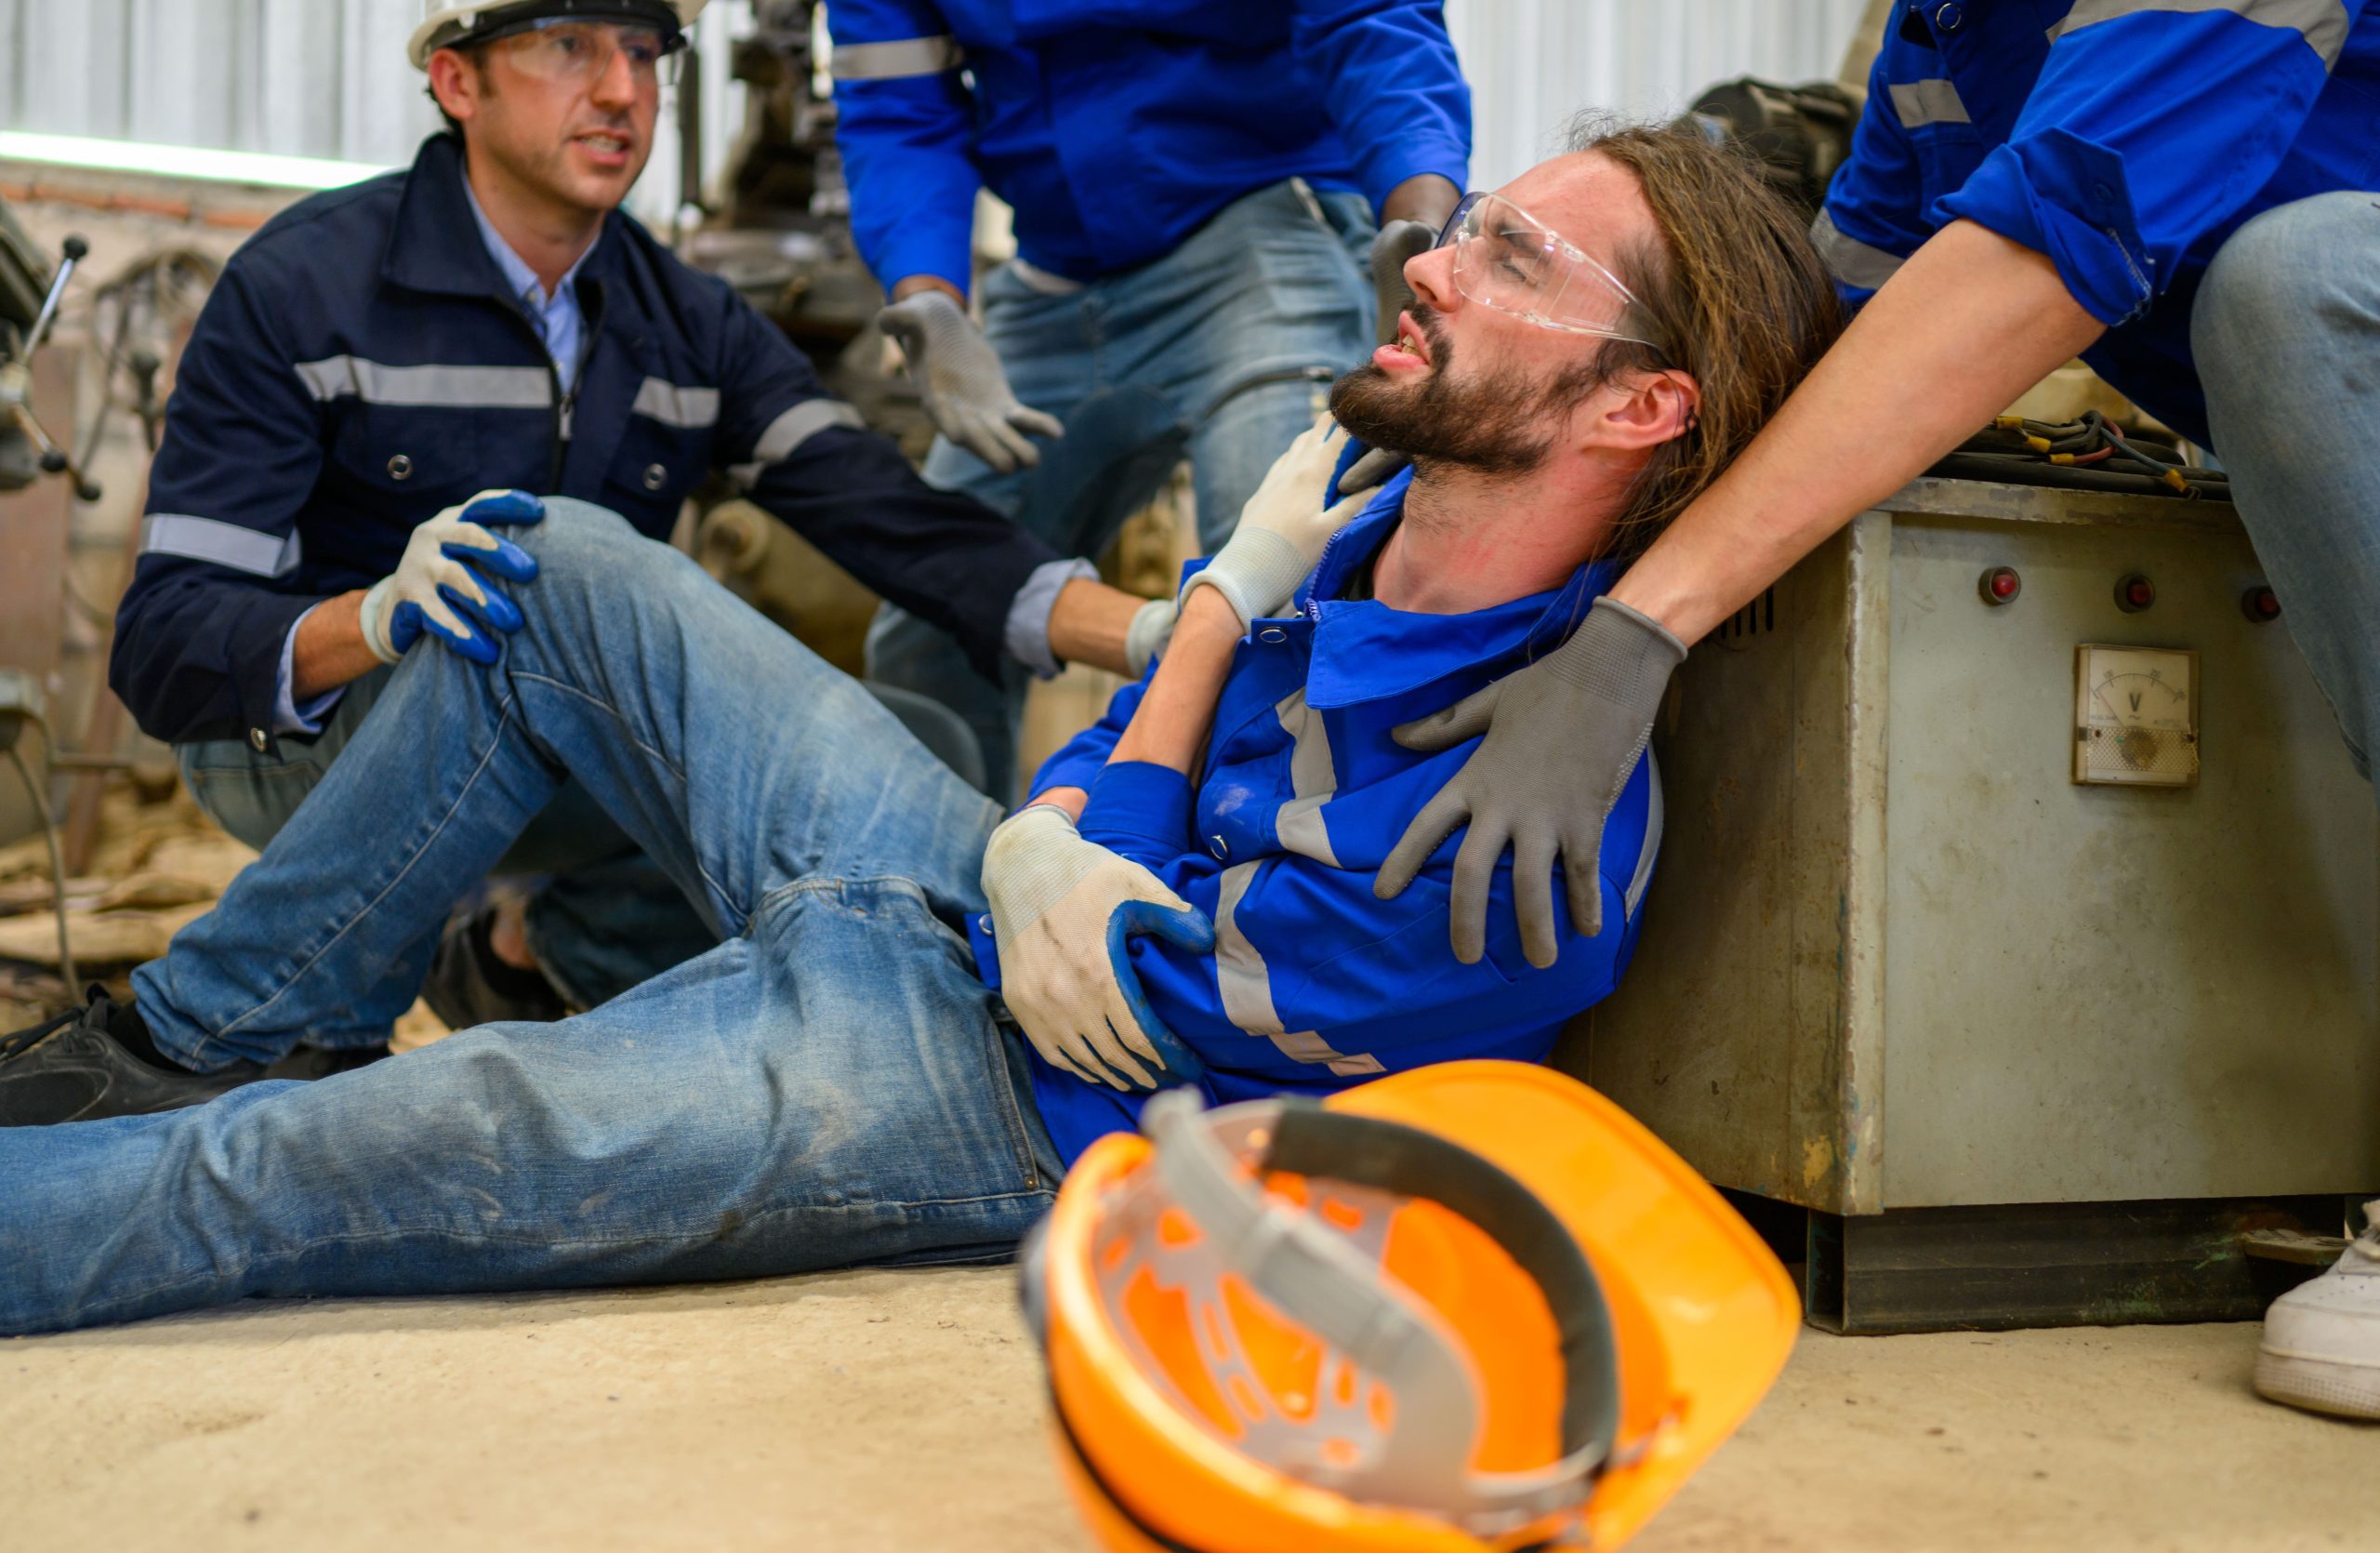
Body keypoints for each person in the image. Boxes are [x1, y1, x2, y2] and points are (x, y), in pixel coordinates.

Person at [0, 123, 1838, 1334]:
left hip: (1010, 1094)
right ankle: (212, 1026)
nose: (1429, 262)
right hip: (964, 897)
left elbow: (1133, 988)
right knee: (550, 559)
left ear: (1638, 407)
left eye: (1514, 256)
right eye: (1475, 222)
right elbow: (1088, 807)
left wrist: (1201, 623)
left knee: (310, 1165)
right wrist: (1038, 828)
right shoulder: (1353, 527)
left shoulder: (1521, 832)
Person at [1372, 5, 2380, 1418]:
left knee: (2297, 283)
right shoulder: (1944, 38)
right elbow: (1810, 343)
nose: (1435, 268)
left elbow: (2058, 231)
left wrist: (1636, 631)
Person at [110, 0, 1157, 1039]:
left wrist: (1168, 632)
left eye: (645, 53)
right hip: (306, 747)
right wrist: (374, 617)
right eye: (570, 47)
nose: (622, 91)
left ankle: (533, 955)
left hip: (551, 742)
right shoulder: (302, 289)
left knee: (925, 738)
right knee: (548, 566)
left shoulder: (685, 321)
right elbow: (165, 645)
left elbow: (889, 515)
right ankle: (242, 1027)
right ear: (457, 80)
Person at [826, 0, 1472, 796]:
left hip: (1256, 228)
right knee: (929, 625)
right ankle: (939, 867)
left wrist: (1419, 226)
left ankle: (1276, 858)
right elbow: (896, 103)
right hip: (1052, 269)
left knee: (1285, 593)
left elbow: (1369, 18)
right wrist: (928, 296)